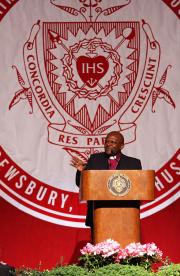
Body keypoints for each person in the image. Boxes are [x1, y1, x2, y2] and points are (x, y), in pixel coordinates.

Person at [71, 131, 142, 232]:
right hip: (98, 212)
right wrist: (81, 172)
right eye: (106, 142)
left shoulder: (133, 163)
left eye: (112, 142)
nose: (108, 144)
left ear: (121, 146)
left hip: (125, 214)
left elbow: (137, 188)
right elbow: (82, 184)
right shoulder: (95, 159)